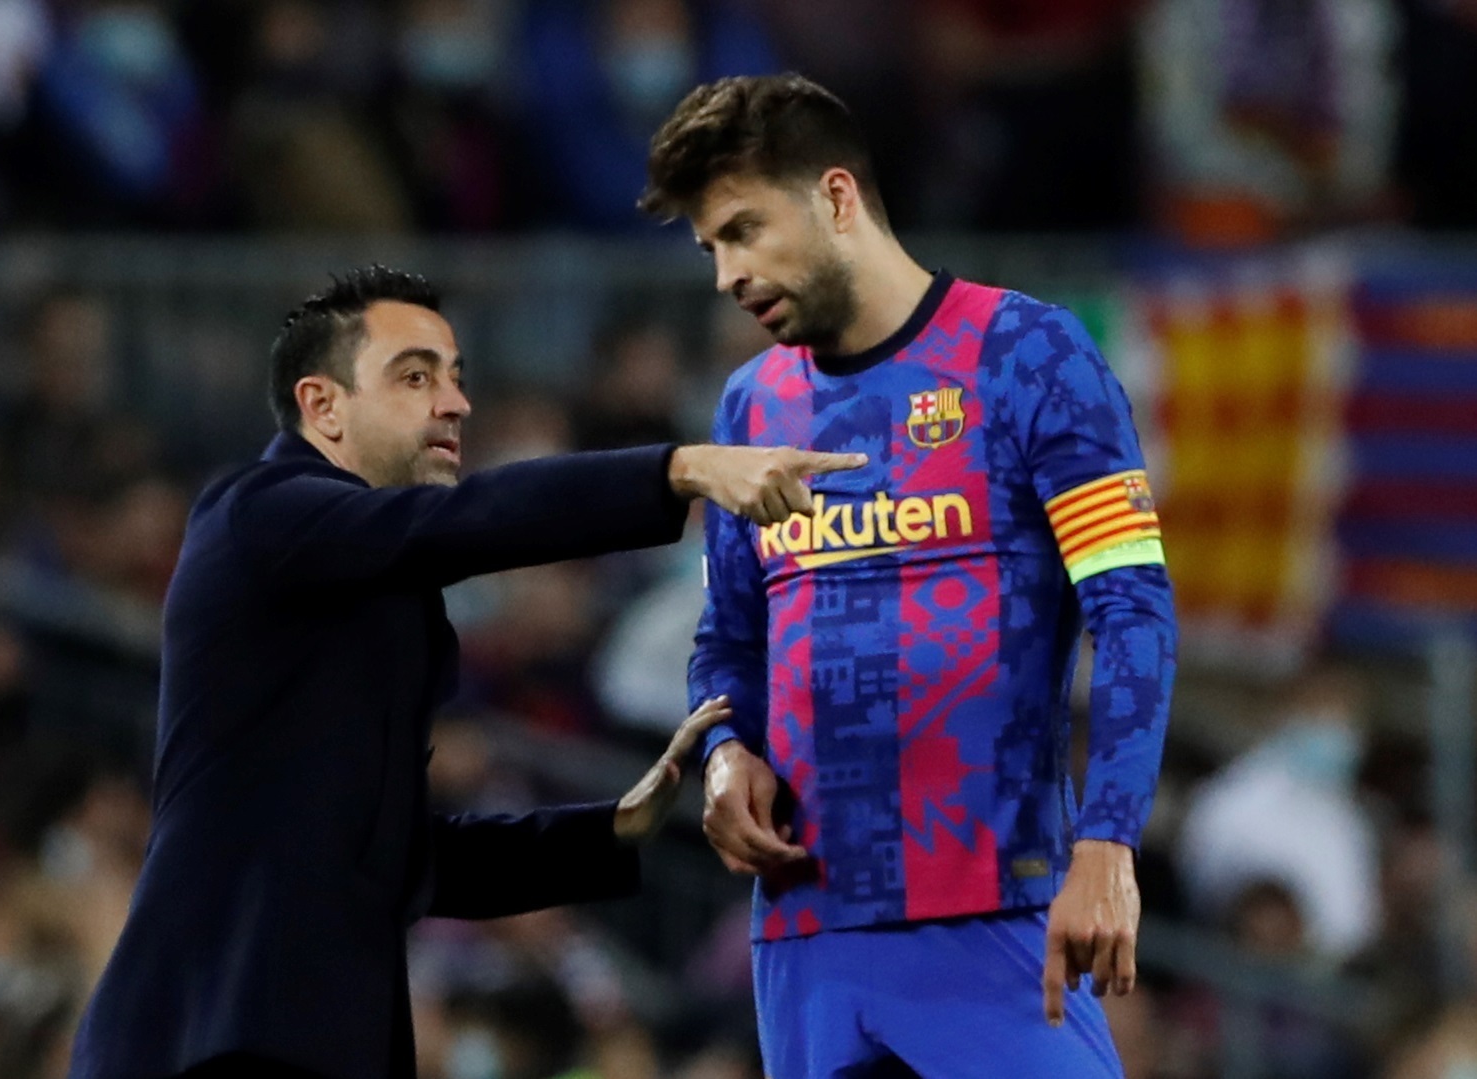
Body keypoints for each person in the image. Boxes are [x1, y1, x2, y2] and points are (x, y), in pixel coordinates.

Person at [67, 265, 865, 1079]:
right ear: (322, 405)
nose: (455, 402)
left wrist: (609, 829)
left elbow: (400, 857)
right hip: (210, 1031)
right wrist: (677, 471)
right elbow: (461, 520)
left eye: (455, 376)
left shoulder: (376, 591)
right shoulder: (256, 512)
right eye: (415, 376)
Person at [641, 74, 1178, 1077]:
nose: (727, 275)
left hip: (995, 911)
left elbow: (1131, 604)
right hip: (804, 931)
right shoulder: (749, 406)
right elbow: (728, 638)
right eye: (712, 247)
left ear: (837, 196)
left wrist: (1109, 842)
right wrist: (723, 749)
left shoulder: (1029, 354)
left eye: (744, 231)